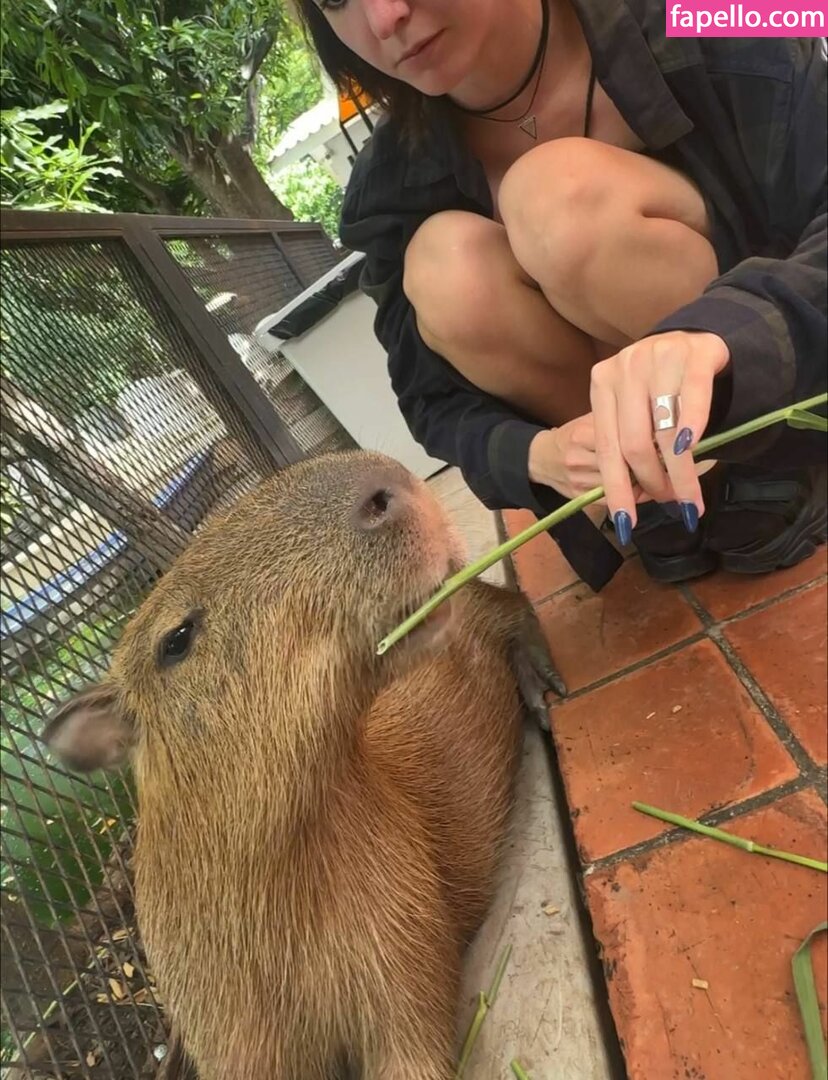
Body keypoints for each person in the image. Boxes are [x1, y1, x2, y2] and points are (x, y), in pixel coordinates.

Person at [296, 0, 827, 590]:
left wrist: (729, 335)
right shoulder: (389, 187)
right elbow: (429, 397)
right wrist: (539, 454)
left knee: (555, 201)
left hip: (783, 379)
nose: (384, 18)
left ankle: (758, 449)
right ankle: (657, 481)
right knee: (443, 265)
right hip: (625, 452)